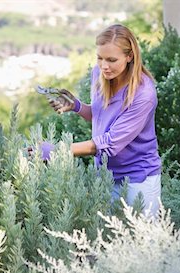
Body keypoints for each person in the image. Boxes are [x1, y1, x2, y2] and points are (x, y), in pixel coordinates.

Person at [46, 24, 162, 217]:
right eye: (99, 58)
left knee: (142, 245)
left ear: (129, 56)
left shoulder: (144, 93)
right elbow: (102, 117)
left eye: (111, 60)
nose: (104, 66)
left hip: (137, 182)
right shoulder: (99, 74)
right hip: (105, 177)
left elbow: (110, 142)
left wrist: (58, 151)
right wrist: (76, 106)